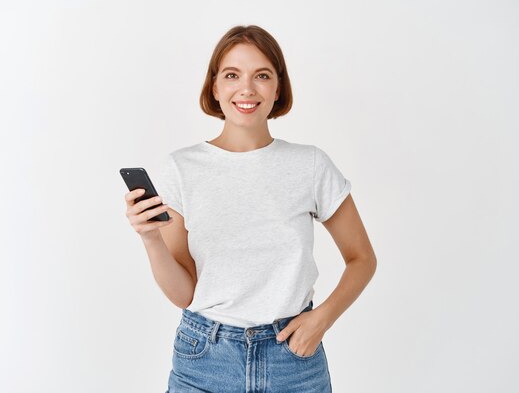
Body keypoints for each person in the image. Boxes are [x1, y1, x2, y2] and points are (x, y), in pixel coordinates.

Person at [124, 25, 377, 393]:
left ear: (278, 88)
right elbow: (185, 294)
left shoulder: (311, 165)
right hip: (204, 359)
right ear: (215, 87)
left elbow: (362, 258)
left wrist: (322, 319)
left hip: (293, 359)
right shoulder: (181, 168)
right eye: (232, 75)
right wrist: (150, 239)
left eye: (262, 75)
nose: (246, 88)